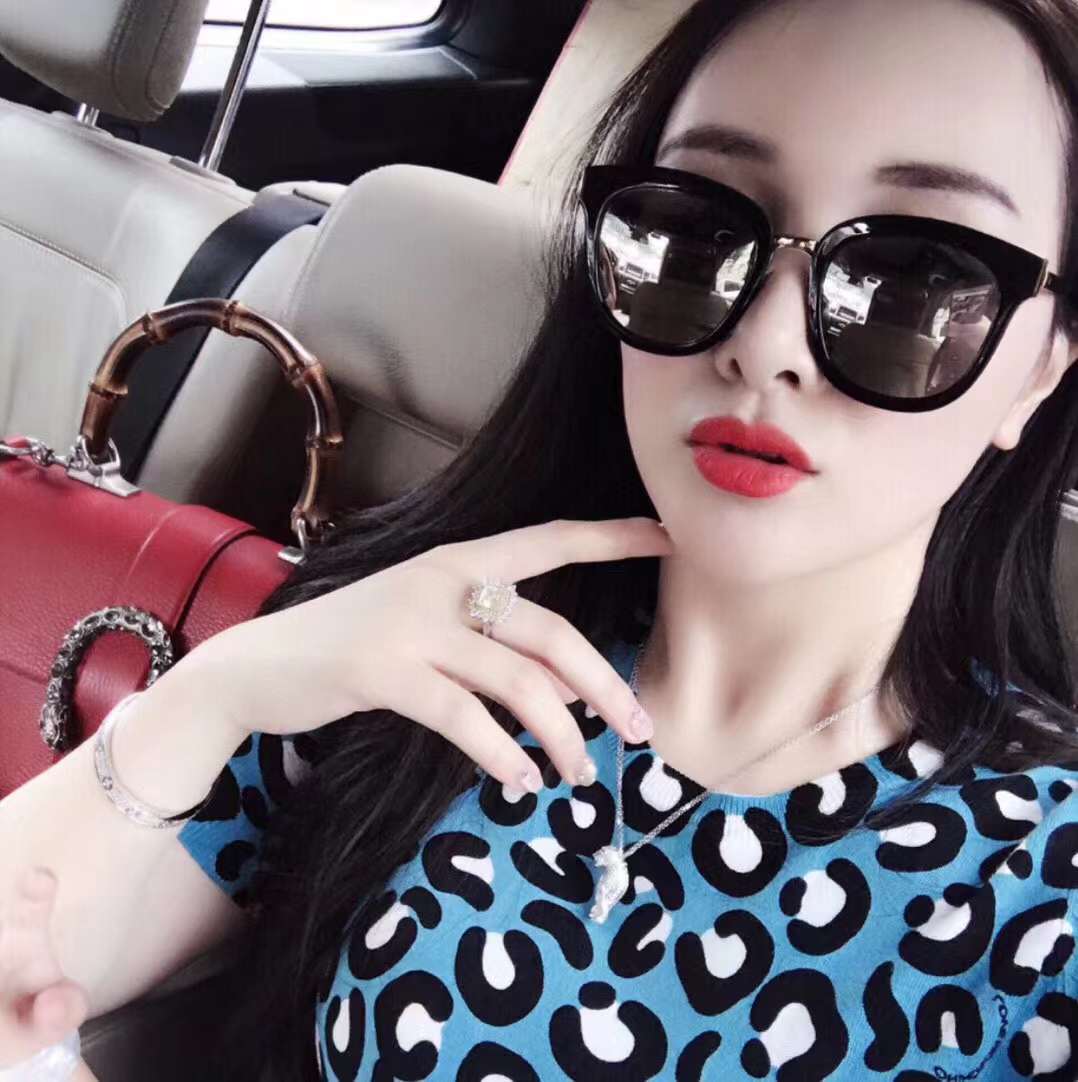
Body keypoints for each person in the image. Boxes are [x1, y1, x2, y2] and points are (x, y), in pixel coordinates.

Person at [2, 0, 1078, 1078]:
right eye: (696, 229)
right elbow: (18, 976)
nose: (763, 343)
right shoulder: (428, 655)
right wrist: (214, 692)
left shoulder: (1046, 892)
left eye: (919, 278)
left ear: (1041, 369)